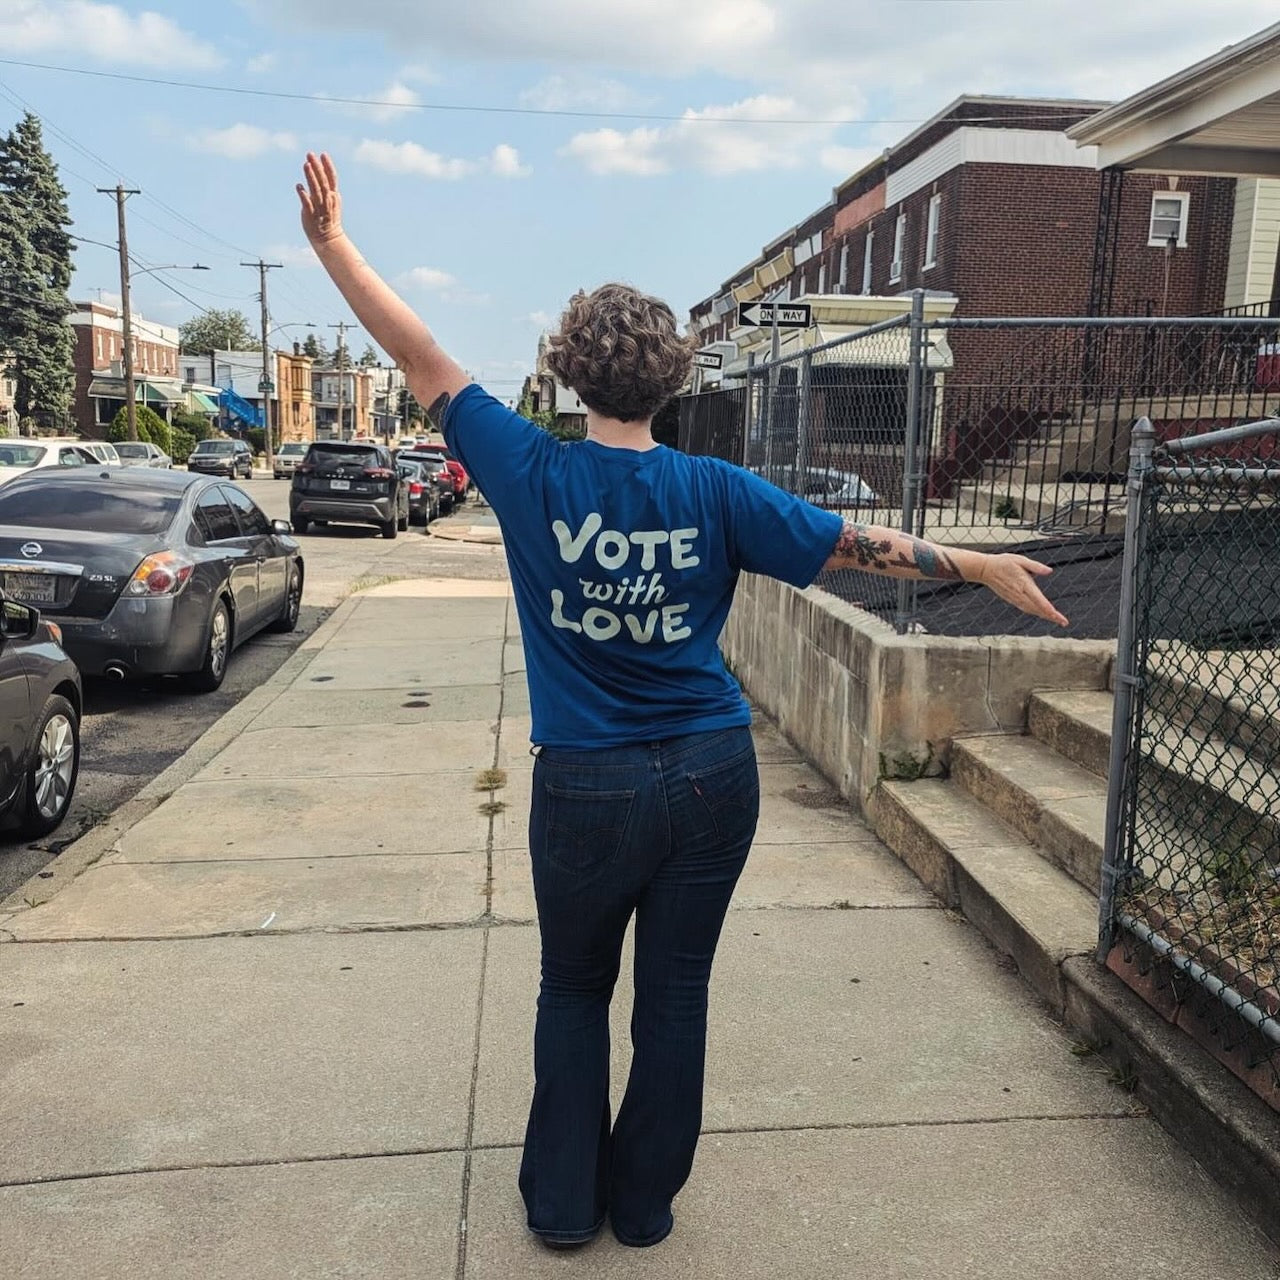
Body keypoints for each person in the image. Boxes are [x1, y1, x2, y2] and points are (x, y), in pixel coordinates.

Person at [296, 152, 1068, 1251]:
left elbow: (417, 353)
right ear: (668, 382)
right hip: (714, 772)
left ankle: (564, 1206)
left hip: (588, 784)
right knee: (674, 992)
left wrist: (332, 246)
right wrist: (976, 562)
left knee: (572, 989)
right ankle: (645, 1202)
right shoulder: (715, 490)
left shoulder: (529, 469)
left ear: (569, 376)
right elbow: (855, 543)